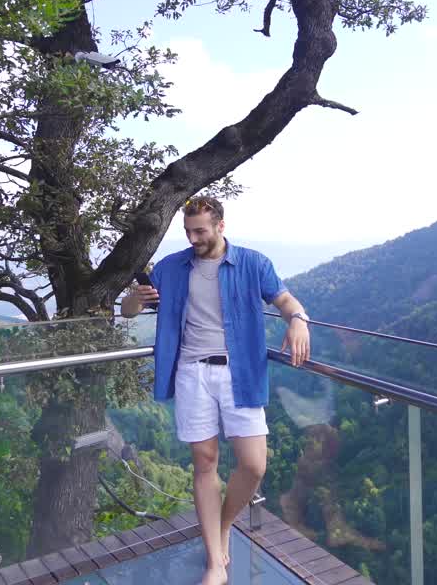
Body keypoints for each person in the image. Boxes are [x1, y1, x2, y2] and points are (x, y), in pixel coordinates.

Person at [121, 196, 311, 585]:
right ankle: (214, 562)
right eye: (188, 231)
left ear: (221, 226)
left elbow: (286, 299)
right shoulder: (171, 267)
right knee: (204, 463)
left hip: (240, 372)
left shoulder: (253, 263)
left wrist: (299, 321)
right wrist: (134, 301)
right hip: (192, 372)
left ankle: (223, 526)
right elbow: (127, 312)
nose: (193, 238)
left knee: (254, 463)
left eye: (200, 231)